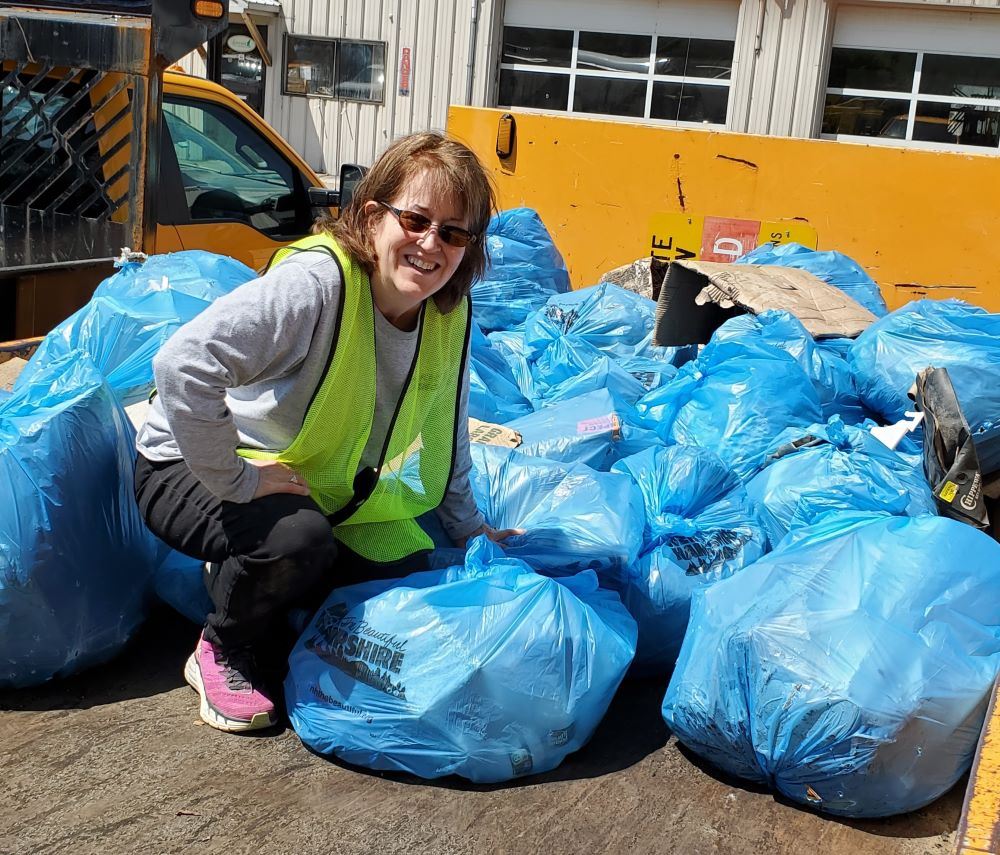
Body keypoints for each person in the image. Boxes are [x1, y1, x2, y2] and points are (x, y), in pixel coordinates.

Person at [134, 132, 520, 734]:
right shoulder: (318, 285)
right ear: (372, 217)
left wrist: (472, 532)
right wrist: (237, 480)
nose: (430, 244)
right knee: (298, 542)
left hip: (312, 484)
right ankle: (223, 646)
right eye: (415, 220)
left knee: (402, 574)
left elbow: (449, 431)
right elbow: (182, 365)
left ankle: (256, 582)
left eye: (452, 233)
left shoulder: (448, 312)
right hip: (188, 465)